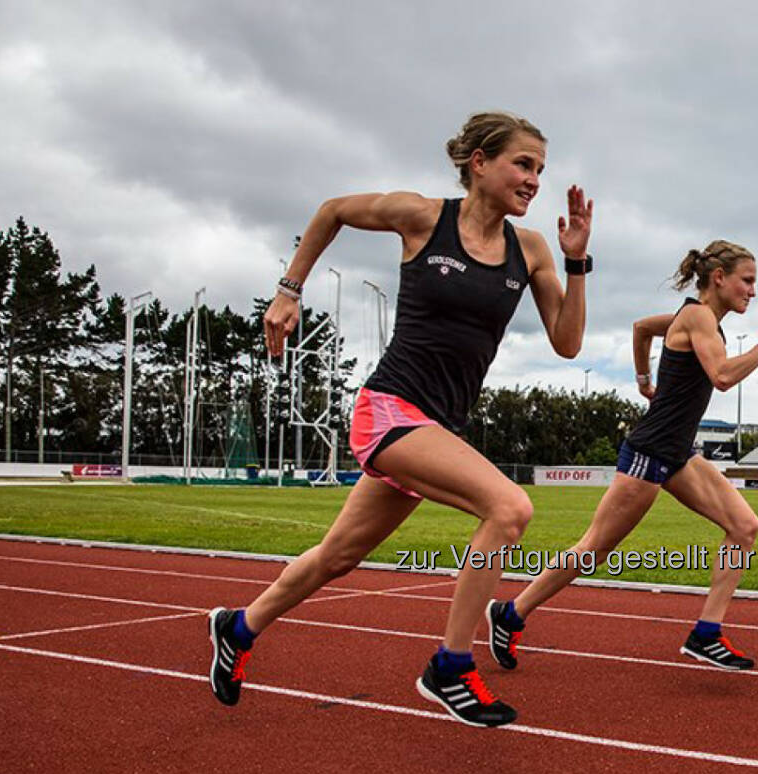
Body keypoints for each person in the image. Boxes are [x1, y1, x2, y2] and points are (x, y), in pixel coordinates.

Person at [207, 111, 593, 728]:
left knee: (337, 556)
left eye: (541, 170)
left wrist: (576, 265)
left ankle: (238, 626)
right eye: (523, 164)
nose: (534, 181)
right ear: (480, 163)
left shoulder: (532, 249)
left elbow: (568, 343)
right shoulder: (422, 217)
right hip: (388, 409)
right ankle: (450, 666)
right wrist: (290, 289)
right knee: (509, 507)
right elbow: (332, 209)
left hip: (436, 427)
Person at [483, 240, 758, 673]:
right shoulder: (699, 316)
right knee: (594, 550)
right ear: (719, 278)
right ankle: (510, 613)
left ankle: (706, 634)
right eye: (748, 280)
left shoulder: (692, 318)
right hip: (650, 453)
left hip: (678, 453)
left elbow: (640, 328)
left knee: (743, 526)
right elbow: (722, 376)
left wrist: (644, 379)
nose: (753, 292)